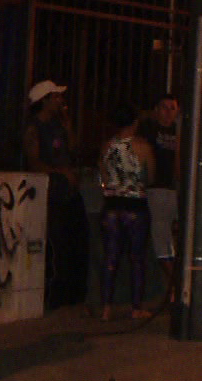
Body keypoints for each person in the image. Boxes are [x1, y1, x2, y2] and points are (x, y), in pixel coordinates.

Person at [23, 80, 88, 309]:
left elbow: (74, 149)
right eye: (56, 97)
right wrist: (60, 173)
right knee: (56, 244)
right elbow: (34, 162)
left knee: (74, 243)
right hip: (52, 193)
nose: (61, 101)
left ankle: (73, 293)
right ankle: (54, 294)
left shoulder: (58, 124)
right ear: (45, 101)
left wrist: (68, 127)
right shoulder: (34, 128)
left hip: (68, 192)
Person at [97, 103, 156, 321]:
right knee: (137, 258)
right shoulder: (143, 147)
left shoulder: (106, 146)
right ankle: (136, 307)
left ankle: (106, 307)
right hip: (135, 205)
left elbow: (102, 176)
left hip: (112, 205)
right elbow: (151, 177)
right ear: (135, 122)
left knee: (110, 257)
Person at [143, 94, 182, 307]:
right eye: (164, 108)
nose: (168, 113)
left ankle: (177, 285)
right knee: (161, 239)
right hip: (157, 189)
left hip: (173, 189)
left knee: (172, 238)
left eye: (172, 108)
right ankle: (176, 284)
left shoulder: (179, 132)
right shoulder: (149, 131)